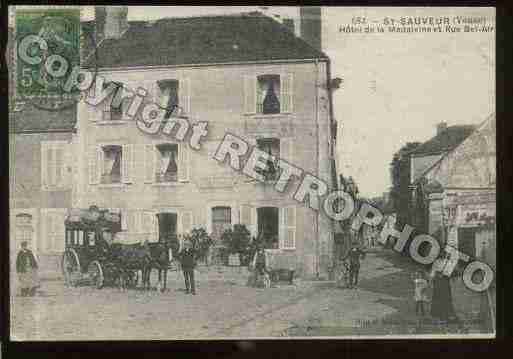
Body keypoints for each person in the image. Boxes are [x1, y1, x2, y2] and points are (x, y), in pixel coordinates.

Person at [430, 256, 457, 324]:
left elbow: (450, 272)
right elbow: (433, 272)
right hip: (438, 281)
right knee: (437, 297)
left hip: (445, 281)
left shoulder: (449, 262)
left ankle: (448, 315)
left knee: (446, 297)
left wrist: (449, 275)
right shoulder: (436, 261)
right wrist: (432, 280)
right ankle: (438, 315)